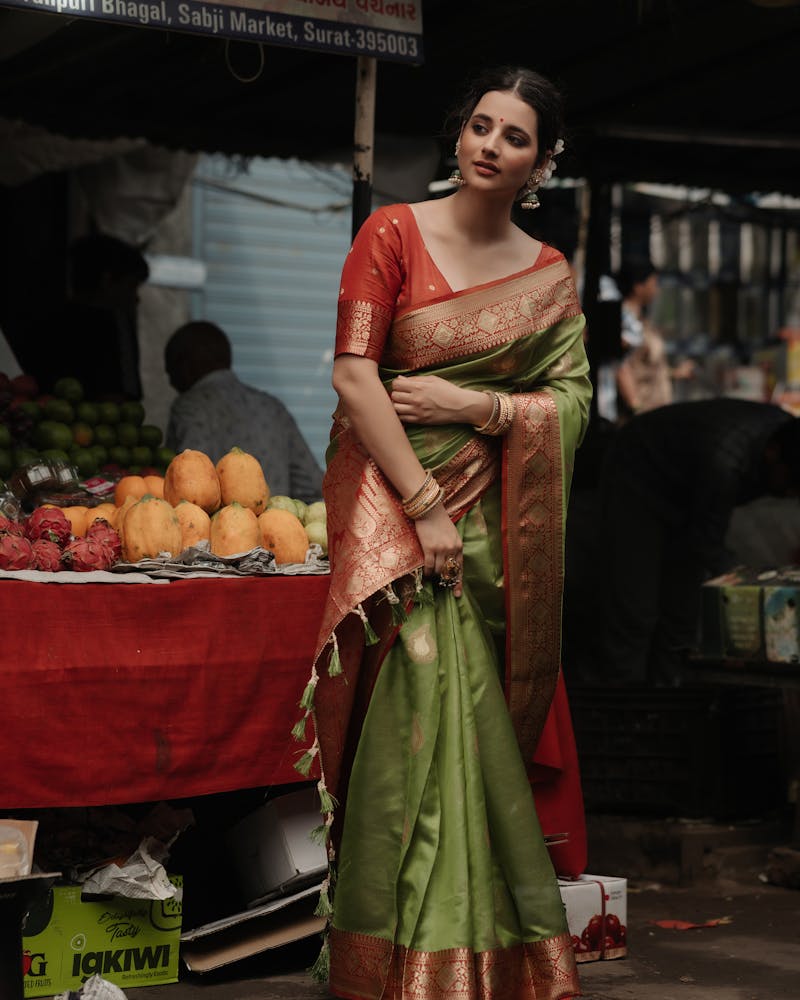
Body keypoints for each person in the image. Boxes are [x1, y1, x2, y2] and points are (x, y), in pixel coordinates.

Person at [300, 67, 591, 999]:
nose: (489, 145)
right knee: (417, 718)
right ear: (458, 134)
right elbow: (355, 378)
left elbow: (571, 404)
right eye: (480, 125)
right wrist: (424, 507)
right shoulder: (391, 232)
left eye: (514, 137)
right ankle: (396, 963)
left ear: (541, 162)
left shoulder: (547, 277)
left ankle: (473, 963)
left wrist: (482, 406)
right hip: (397, 512)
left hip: (495, 528)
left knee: (468, 740)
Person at [598, 398, 800, 685]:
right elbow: (707, 542)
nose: (791, 494)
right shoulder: (726, 460)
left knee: (682, 616)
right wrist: (756, 585)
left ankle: (668, 703)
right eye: (791, 483)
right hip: (638, 477)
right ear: (772, 454)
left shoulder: (783, 435)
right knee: (634, 611)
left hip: (689, 487)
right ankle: (625, 710)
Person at [164, 321, 323, 503]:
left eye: (170, 372)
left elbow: (184, 488)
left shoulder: (188, 407)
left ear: (185, 366)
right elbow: (311, 485)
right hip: (277, 527)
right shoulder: (272, 407)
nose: (171, 383)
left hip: (219, 530)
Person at [12, 233, 149, 400]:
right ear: (107, 281)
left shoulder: (45, 319)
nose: (135, 298)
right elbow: (125, 395)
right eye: (131, 286)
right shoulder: (117, 324)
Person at [615, 257, 694, 418]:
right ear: (638, 286)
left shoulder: (640, 320)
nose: (657, 289)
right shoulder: (625, 320)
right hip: (641, 419)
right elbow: (620, 367)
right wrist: (636, 407)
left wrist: (674, 373)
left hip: (654, 414)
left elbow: (644, 367)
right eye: (654, 282)